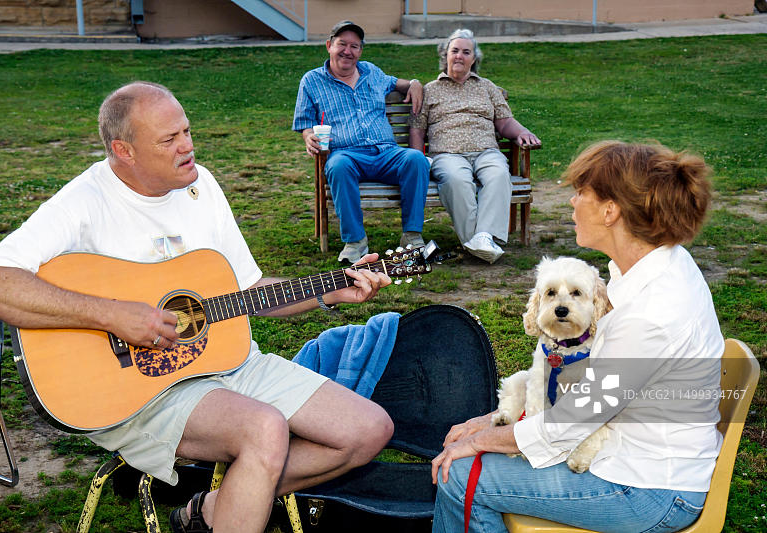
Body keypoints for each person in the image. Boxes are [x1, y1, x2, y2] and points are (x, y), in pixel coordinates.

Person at [0, 81, 395, 533]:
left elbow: (249, 290)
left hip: (226, 361)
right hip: (136, 388)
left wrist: (329, 290)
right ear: (123, 150)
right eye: (169, 140)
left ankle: (216, 506)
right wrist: (111, 315)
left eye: (187, 131)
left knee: (367, 431)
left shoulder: (201, 186)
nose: (187, 146)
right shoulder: (85, 202)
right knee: (263, 429)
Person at [430, 141, 723, 532]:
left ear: (610, 210)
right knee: (472, 461)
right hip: (639, 460)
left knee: (461, 474)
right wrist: (495, 420)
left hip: (647, 488)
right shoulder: (655, 267)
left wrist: (482, 440)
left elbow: (571, 422)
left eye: (581, 192)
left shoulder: (650, 313)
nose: (571, 202)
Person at [293, 20, 431, 263]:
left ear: (360, 51)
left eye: (354, 46)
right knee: (337, 166)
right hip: (347, 154)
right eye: (342, 44)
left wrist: (416, 83)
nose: (348, 51)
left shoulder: (371, 72)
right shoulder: (312, 81)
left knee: (416, 159)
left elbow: (400, 83)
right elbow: (304, 121)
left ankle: (411, 236)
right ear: (329, 46)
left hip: (386, 153)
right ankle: (355, 242)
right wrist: (308, 136)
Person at [410, 29, 541, 264]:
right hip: (447, 154)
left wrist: (522, 132)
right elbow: (417, 129)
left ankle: (481, 237)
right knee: (456, 181)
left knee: (499, 174)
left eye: (466, 52)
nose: (459, 56)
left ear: (474, 58)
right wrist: (418, 158)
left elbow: (504, 121)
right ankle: (478, 239)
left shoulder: (487, 87)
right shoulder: (430, 90)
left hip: (486, 151)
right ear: (445, 56)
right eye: (455, 51)